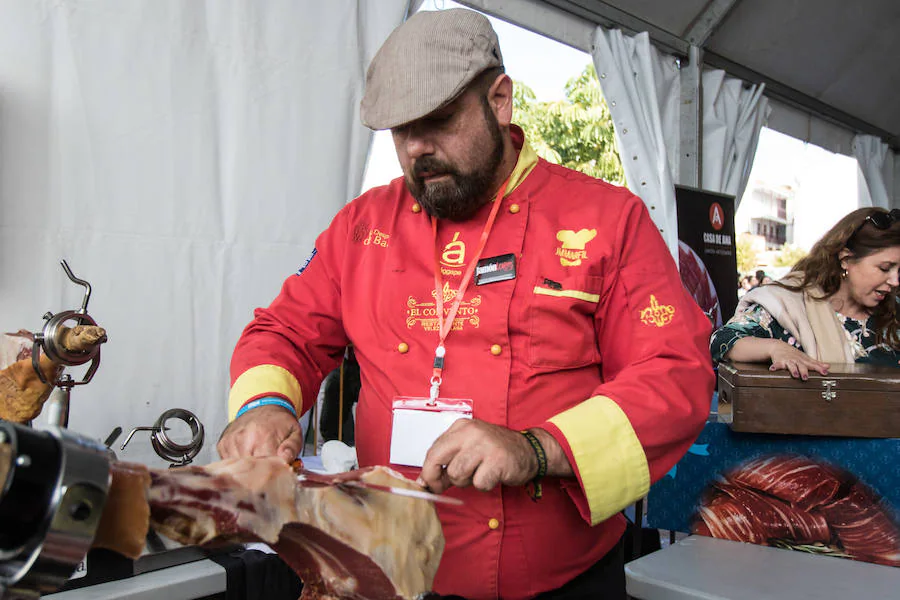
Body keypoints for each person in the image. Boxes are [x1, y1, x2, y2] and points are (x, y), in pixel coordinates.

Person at [217, 8, 714, 599]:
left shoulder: (607, 220)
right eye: (402, 131)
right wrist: (265, 406)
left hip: (562, 583)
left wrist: (538, 447)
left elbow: (675, 375)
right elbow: (283, 331)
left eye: (440, 121)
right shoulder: (361, 227)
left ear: (499, 100)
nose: (418, 149)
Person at [712, 207, 900, 380]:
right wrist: (775, 348)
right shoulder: (791, 304)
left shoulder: (894, 313)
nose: (895, 281)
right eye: (885, 268)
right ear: (845, 259)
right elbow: (723, 341)